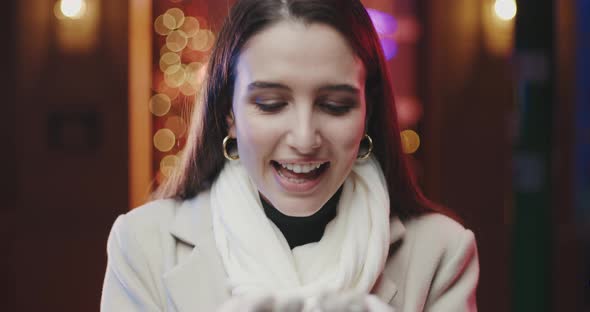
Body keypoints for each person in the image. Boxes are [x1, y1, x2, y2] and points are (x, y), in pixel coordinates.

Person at [100, 0, 479, 311]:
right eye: (270, 104)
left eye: (333, 105)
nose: (304, 138)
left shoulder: (440, 252)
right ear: (228, 113)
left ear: (368, 110)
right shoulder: (142, 245)